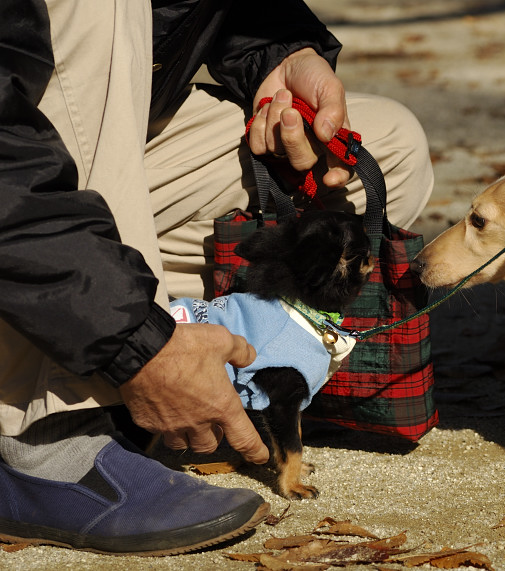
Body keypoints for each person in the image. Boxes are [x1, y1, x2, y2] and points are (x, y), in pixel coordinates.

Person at [0, 0, 433, 556]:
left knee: (388, 149)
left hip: (98, 142)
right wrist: (137, 345)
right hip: (17, 157)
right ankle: (53, 438)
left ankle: (215, 353)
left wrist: (277, 52)